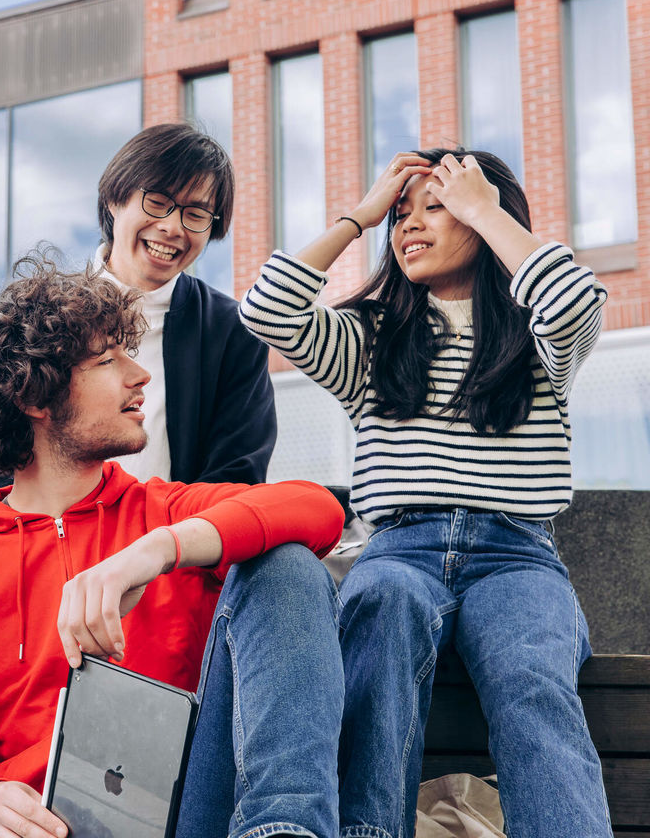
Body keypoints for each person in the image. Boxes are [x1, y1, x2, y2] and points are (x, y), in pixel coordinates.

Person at [0, 258, 347, 838]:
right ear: (35, 397)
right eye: (107, 360)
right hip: (42, 827)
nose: (140, 375)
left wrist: (156, 550)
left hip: (185, 816)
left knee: (286, 564)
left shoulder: (165, 511)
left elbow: (317, 509)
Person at [239, 149, 613, 838]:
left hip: (517, 554)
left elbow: (574, 301)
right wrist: (361, 214)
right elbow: (267, 311)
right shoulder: (372, 338)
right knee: (381, 615)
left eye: (434, 207)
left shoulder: (538, 337)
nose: (407, 225)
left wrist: (482, 208)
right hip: (398, 548)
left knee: (532, 680)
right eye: (400, 215)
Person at [0, 123, 277, 507]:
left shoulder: (233, 332)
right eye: (158, 202)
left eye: (196, 214)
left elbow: (237, 474)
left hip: (177, 539)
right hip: (43, 535)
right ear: (114, 198)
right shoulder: (39, 317)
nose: (172, 227)